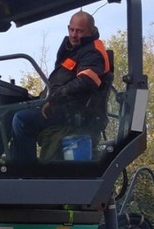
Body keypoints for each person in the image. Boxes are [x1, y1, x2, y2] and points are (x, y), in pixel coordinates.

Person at [11, 10, 112, 162]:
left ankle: (25, 173)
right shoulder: (74, 49)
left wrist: (53, 100)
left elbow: (85, 82)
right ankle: (8, 167)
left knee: (22, 119)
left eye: (79, 31)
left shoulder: (93, 52)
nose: (74, 35)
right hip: (62, 106)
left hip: (75, 113)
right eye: (71, 29)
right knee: (7, 112)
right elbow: (60, 80)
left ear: (91, 31)